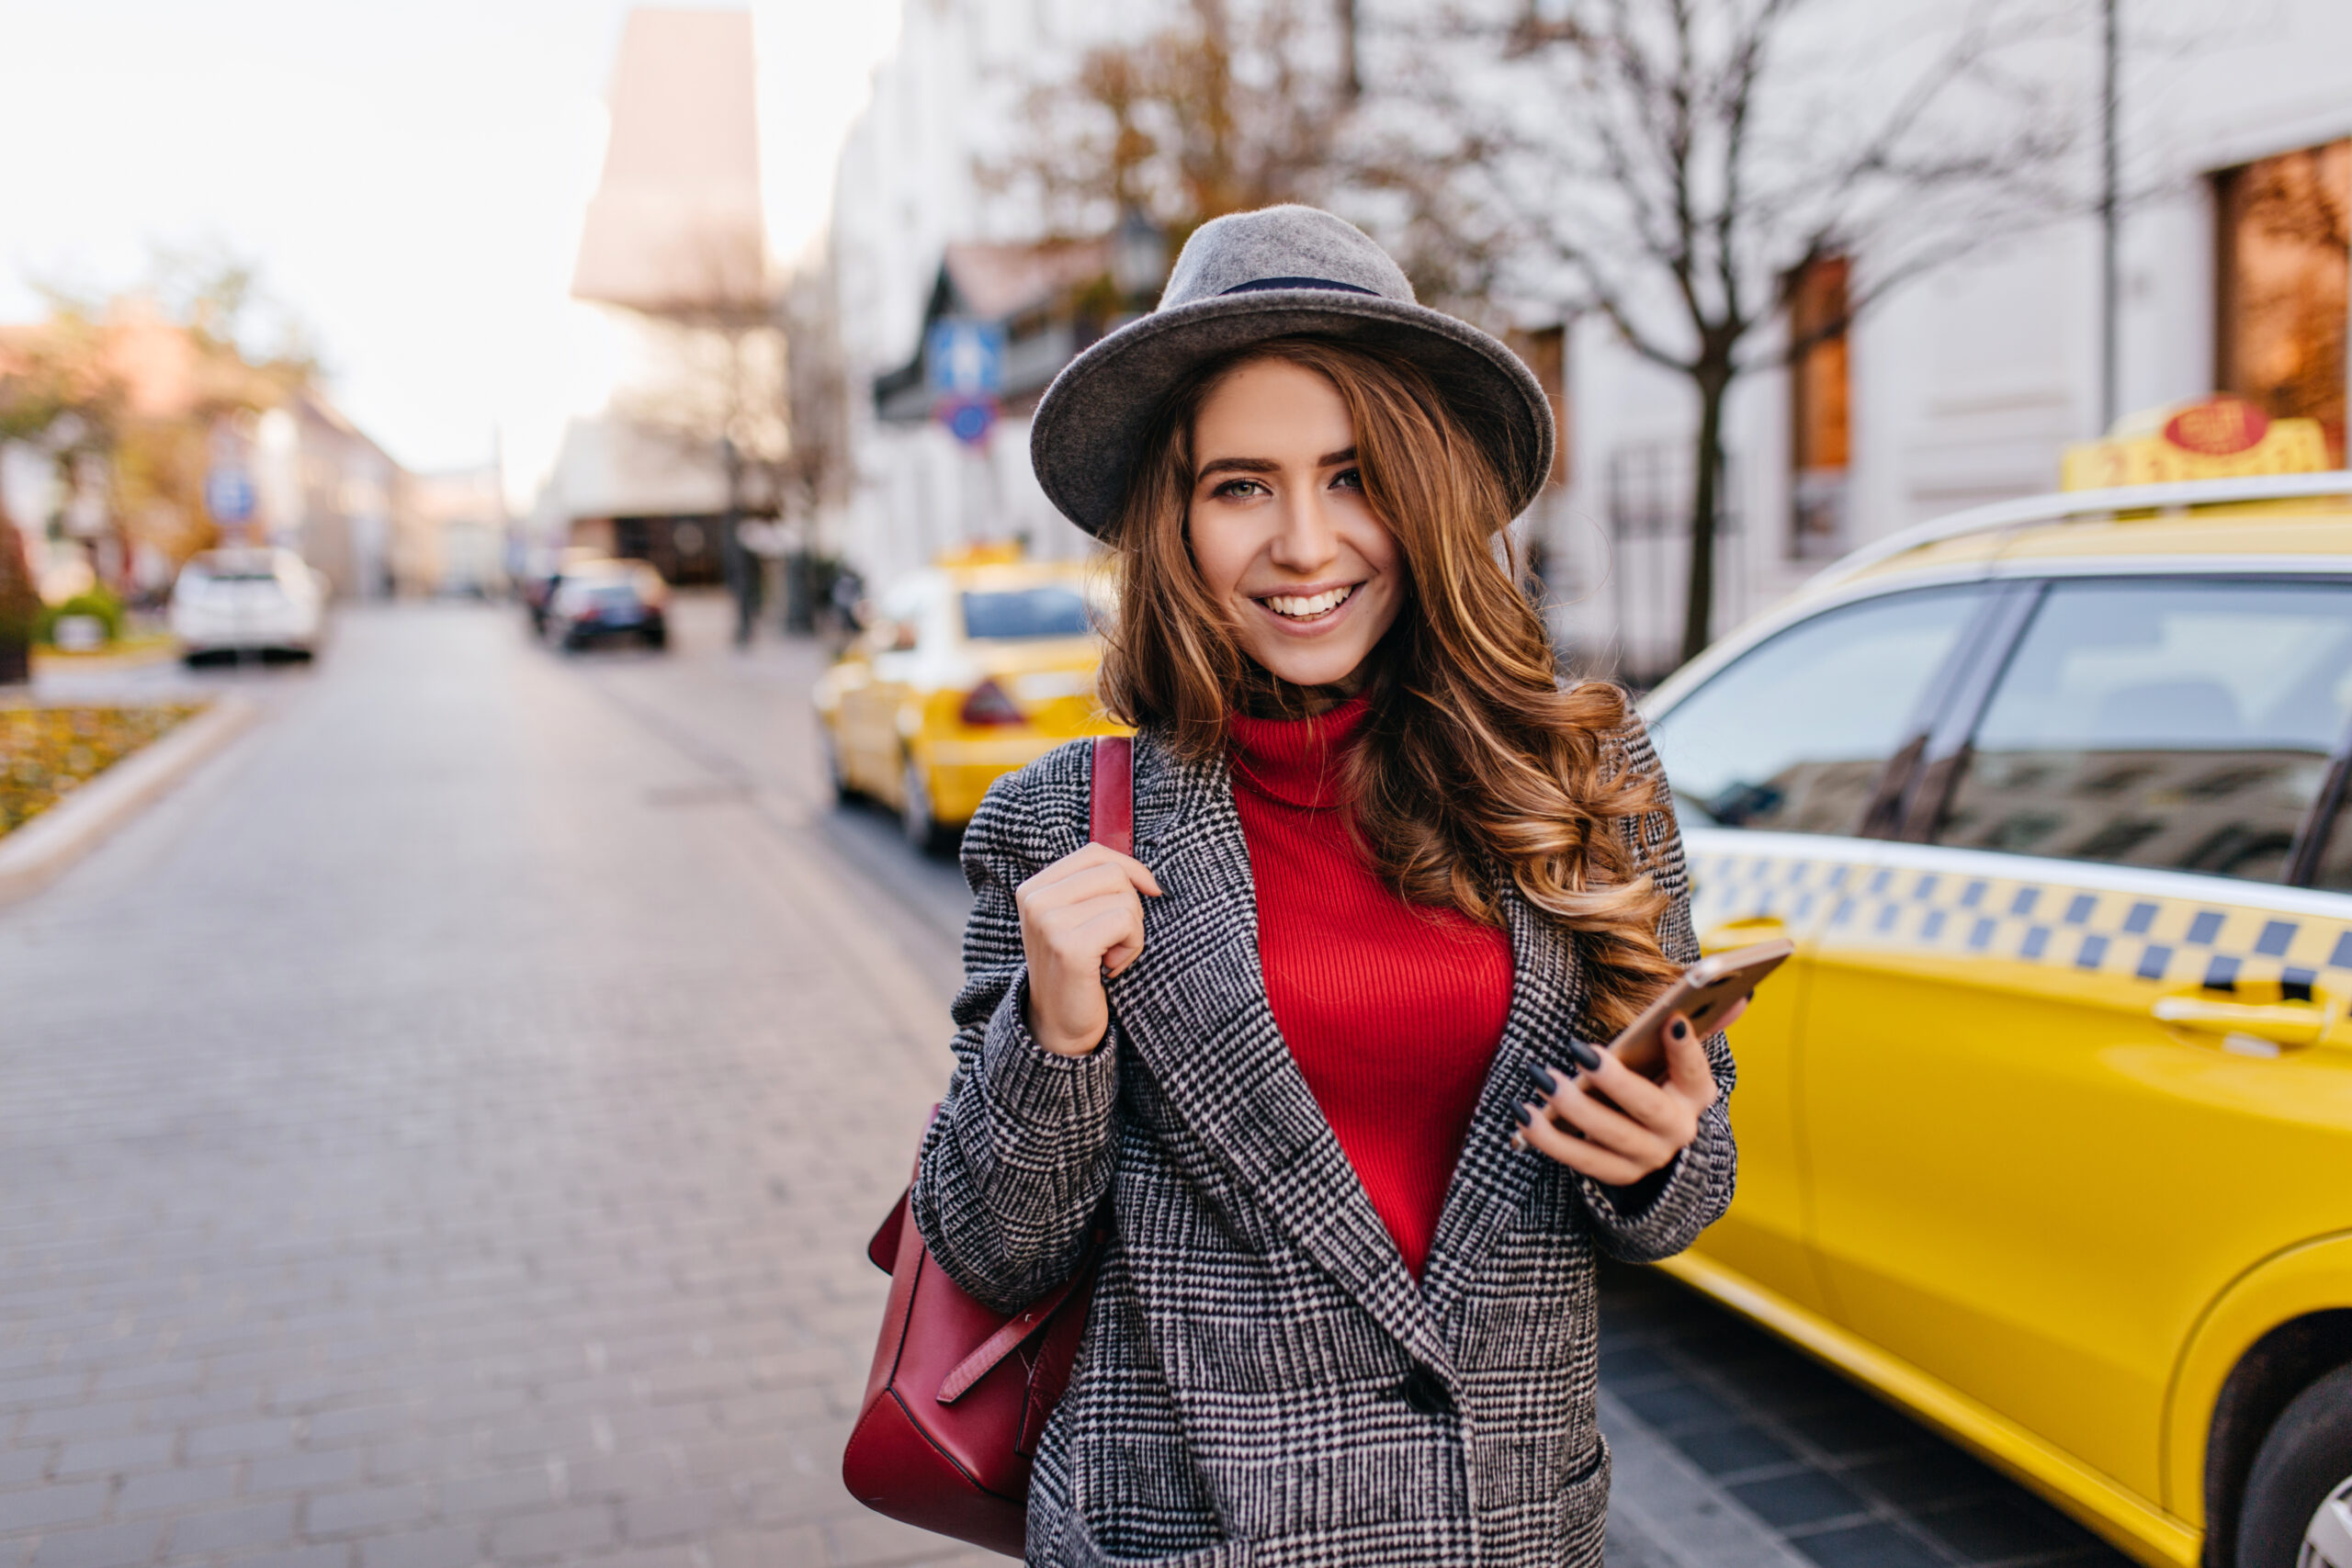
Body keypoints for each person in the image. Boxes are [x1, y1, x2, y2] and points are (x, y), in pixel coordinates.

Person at [910, 206, 1737, 1568]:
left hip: (1512, 1525)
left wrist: (1661, 1156)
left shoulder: (1577, 772)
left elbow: (1689, 1187)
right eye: (1241, 486)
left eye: (1353, 477)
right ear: (1172, 521)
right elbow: (992, 1249)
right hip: (1198, 1534)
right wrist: (1053, 1033)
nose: (1304, 544)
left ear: (1425, 493)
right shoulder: (1060, 822)